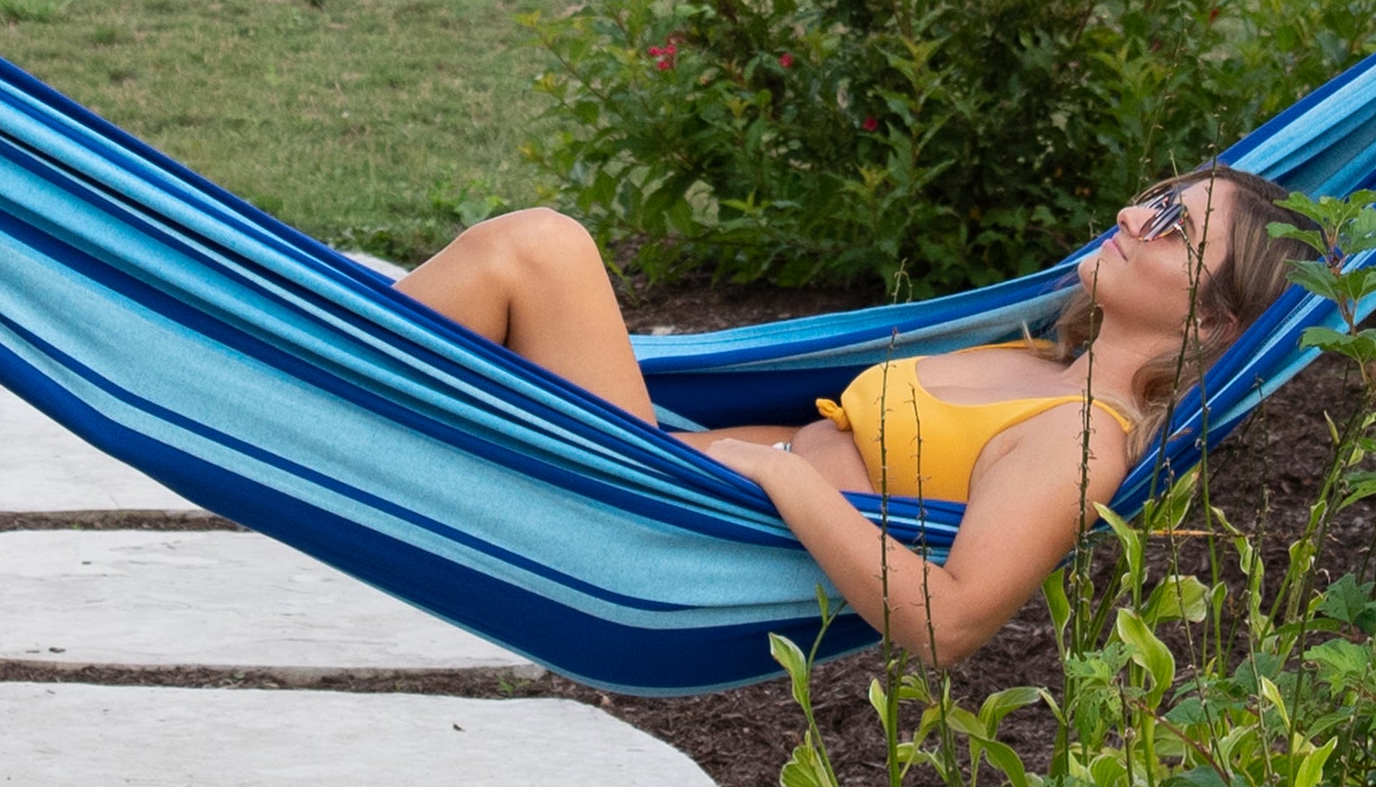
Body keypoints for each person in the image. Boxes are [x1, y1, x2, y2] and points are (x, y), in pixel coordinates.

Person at [396, 166, 1303, 668]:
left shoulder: (1080, 443)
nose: (1132, 217)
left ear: (1214, 321)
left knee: (539, 251)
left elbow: (951, 626)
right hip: (654, 463)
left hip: (646, 529)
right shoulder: (1036, 361)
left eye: (1174, 230)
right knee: (496, 280)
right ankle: (308, 385)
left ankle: (297, 385)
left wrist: (784, 471)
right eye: (1156, 202)